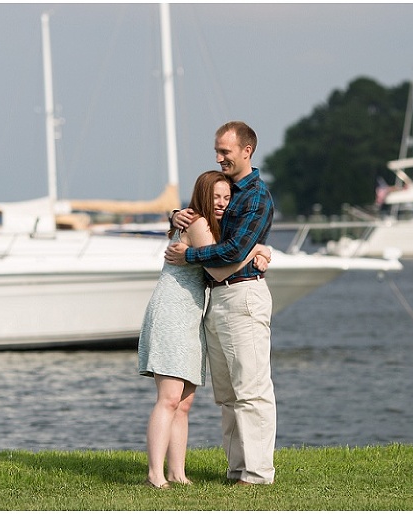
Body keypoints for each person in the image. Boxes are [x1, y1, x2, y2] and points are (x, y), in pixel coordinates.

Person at [138, 170, 270, 489]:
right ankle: (156, 474)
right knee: (169, 399)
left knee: (184, 403)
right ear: (202, 198)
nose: (222, 203)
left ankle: (178, 473)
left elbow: (223, 252)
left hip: (192, 314)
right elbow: (218, 268)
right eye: (215, 198)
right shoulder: (197, 223)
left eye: (227, 197)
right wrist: (254, 250)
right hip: (173, 312)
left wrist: (262, 251)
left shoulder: (204, 225)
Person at [165, 121, 276, 486]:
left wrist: (191, 255)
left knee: (252, 389)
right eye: (217, 150)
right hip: (218, 298)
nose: (219, 157)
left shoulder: (257, 196)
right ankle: (237, 469)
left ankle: (257, 474)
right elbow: (208, 224)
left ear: (247, 150)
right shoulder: (224, 190)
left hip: (243, 296)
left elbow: (233, 250)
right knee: (227, 394)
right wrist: (177, 216)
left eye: (225, 151)